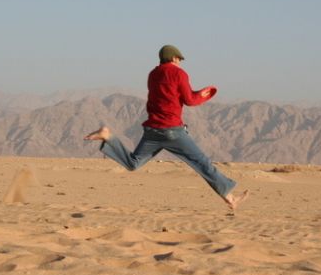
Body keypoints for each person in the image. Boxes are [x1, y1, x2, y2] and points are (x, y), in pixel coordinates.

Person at [84, 45, 248, 210]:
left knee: (133, 163)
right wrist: (204, 95)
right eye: (179, 59)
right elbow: (190, 100)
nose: (180, 63)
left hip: (152, 131)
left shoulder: (152, 74)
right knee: (201, 163)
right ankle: (230, 198)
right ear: (174, 58)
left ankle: (108, 136)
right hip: (172, 131)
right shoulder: (179, 74)